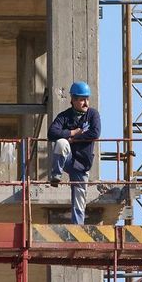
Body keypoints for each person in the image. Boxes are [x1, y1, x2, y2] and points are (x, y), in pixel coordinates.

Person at [47, 81, 101, 224]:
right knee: (61, 142)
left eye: (87, 99)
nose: (86, 103)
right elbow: (52, 133)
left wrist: (74, 138)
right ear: (74, 100)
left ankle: (78, 227)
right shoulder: (64, 116)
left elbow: (95, 133)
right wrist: (72, 132)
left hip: (82, 164)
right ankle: (56, 175)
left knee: (79, 199)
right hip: (68, 160)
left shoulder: (92, 115)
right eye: (82, 99)